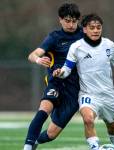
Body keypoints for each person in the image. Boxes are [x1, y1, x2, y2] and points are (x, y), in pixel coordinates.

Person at [53, 13, 114, 150]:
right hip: (88, 94)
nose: (96, 30)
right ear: (85, 29)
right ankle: (95, 148)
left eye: (98, 27)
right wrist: (60, 73)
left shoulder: (110, 46)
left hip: (108, 95)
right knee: (88, 119)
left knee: (113, 126)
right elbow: (66, 69)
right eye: (92, 28)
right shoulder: (76, 47)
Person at [23, 3, 82, 150]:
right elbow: (33, 54)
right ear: (60, 20)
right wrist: (38, 59)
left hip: (76, 89)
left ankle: (36, 141)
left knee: (51, 134)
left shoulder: (84, 35)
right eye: (67, 20)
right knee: (44, 110)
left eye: (74, 21)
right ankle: (27, 147)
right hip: (56, 82)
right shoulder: (54, 37)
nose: (71, 24)